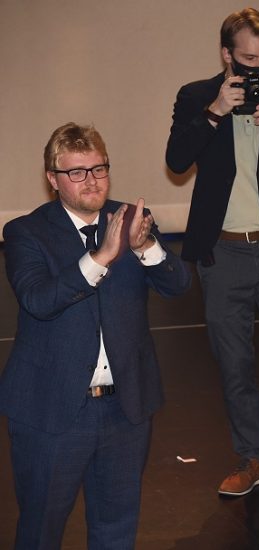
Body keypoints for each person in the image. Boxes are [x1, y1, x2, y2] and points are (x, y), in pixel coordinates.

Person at [0, 123, 190, 549]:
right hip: (51, 412)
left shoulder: (129, 219)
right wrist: (102, 254)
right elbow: (39, 299)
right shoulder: (25, 233)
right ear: (53, 179)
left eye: (99, 169)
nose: (92, 180)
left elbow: (178, 285)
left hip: (125, 408)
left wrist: (144, 248)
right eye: (77, 172)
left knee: (116, 527)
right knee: (40, 529)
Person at [165, 7, 259, 524]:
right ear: (226, 54)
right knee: (234, 366)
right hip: (221, 252)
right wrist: (213, 111)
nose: (257, 70)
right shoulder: (194, 96)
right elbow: (178, 160)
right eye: (248, 59)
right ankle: (254, 458)